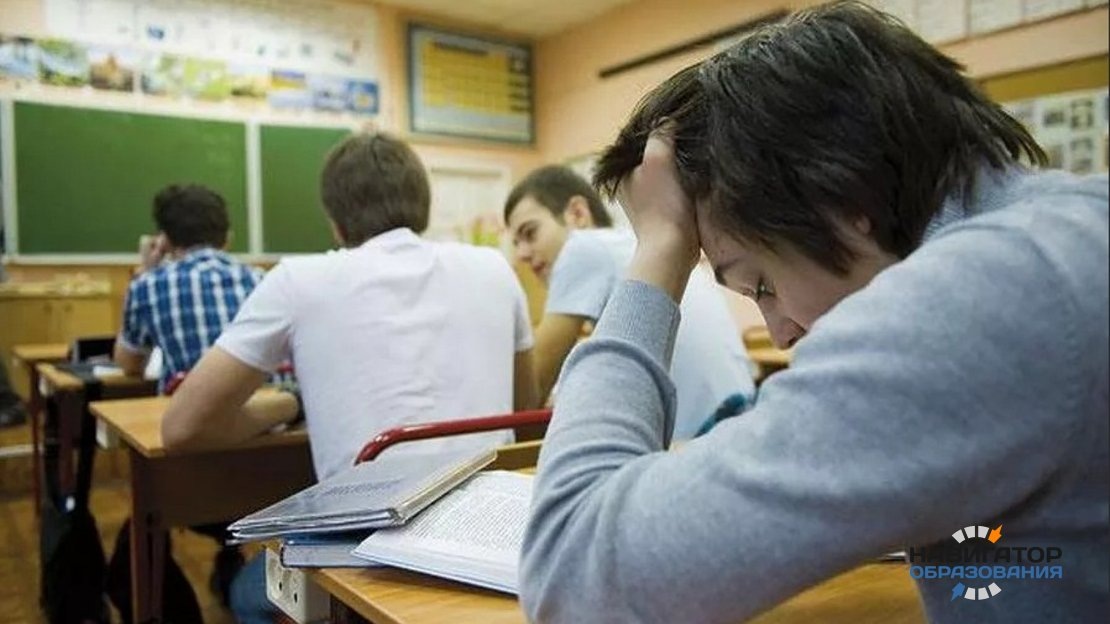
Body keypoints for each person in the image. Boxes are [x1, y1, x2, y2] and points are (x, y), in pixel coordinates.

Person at [519, 3, 1108, 623]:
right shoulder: (1065, 231)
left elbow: (569, 572)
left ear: (844, 200)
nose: (782, 335)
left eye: (760, 283)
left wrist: (659, 248)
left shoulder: (974, 304)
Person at [161, 132, 538, 622]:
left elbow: (182, 427)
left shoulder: (297, 280)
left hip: (370, 549)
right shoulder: (494, 268)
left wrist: (287, 404)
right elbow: (524, 407)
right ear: (423, 205)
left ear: (336, 225)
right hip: (496, 535)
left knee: (246, 593)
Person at [504, 165, 755, 438]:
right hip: (742, 418)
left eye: (530, 233)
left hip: (697, 437)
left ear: (577, 214)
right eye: (516, 243)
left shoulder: (583, 247)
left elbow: (530, 398)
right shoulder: (632, 243)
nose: (522, 254)